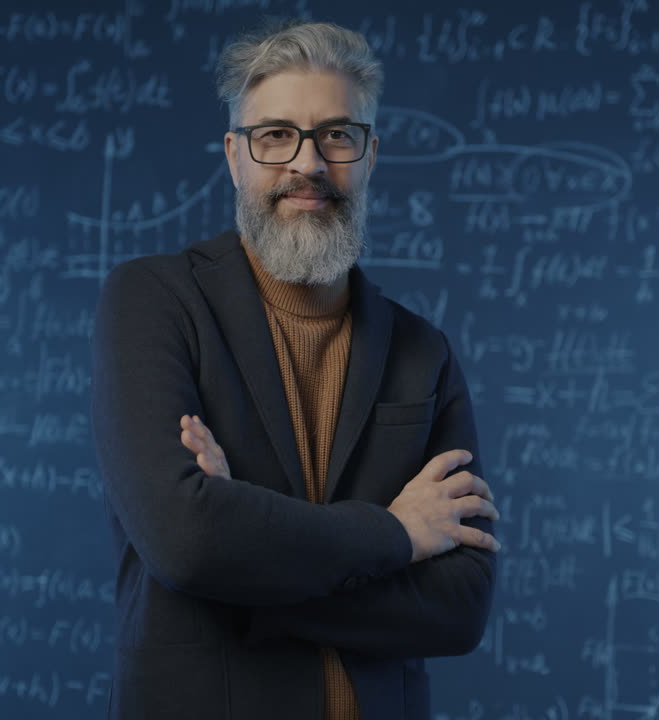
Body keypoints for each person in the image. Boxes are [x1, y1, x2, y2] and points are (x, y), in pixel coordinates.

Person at [91, 20, 500, 720]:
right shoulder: (152, 301)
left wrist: (247, 574)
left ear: (369, 155)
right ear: (234, 156)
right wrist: (397, 535)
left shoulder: (421, 351)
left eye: (337, 134)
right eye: (275, 134)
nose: (307, 163)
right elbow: (187, 543)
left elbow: (458, 610)